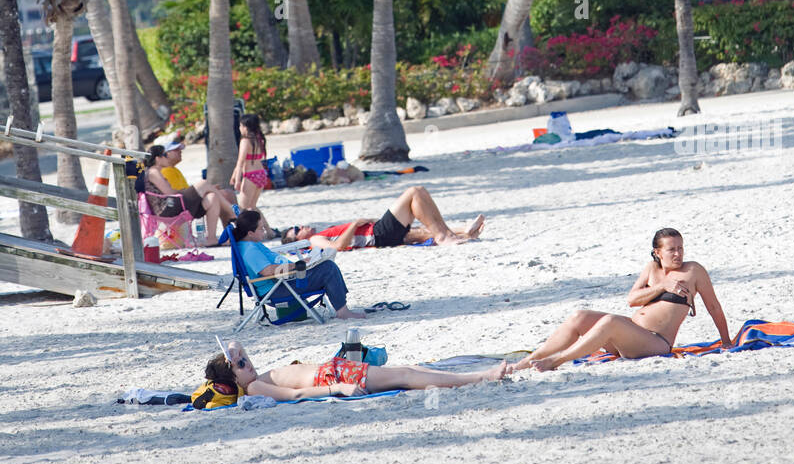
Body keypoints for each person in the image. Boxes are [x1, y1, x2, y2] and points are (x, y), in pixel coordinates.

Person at [507, 227, 732, 371]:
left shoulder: (693, 270)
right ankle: (525, 363)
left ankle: (556, 361)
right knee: (579, 316)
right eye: (671, 249)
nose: (678, 254)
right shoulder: (651, 269)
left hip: (655, 343)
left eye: (680, 248)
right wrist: (662, 285)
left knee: (610, 322)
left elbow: (713, 307)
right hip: (630, 334)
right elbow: (632, 299)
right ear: (657, 252)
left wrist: (727, 341)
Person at [194, 339, 508, 405]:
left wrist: (233, 350)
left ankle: (479, 374)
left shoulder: (253, 377)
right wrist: (338, 389)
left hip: (333, 370)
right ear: (234, 379)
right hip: (331, 379)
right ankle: (480, 377)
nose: (248, 362)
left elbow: (236, 343)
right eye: (241, 365)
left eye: (245, 358)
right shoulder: (254, 389)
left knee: (407, 370)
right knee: (406, 376)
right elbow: (296, 393)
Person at [231, 208, 366, 320]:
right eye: (261, 229)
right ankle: (343, 311)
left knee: (326, 263)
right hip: (277, 289)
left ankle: (341, 306)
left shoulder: (250, 244)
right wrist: (298, 265)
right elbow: (267, 271)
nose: (264, 231)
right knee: (328, 268)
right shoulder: (250, 250)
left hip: (284, 280)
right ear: (250, 233)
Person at [280, 185, 485, 250]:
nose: (301, 227)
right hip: (378, 235)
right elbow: (339, 247)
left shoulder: (319, 235)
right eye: (296, 230)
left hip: (379, 235)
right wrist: (354, 224)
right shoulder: (313, 241)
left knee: (420, 230)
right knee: (415, 192)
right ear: (298, 240)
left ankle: (462, 232)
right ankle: (444, 237)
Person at [141, 146, 236, 247]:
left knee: (212, 197)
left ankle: (211, 239)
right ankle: (232, 212)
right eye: (165, 155)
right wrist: (192, 190)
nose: (167, 158)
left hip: (173, 206)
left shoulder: (155, 172)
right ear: (157, 158)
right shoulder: (153, 172)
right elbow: (169, 193)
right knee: (203, 183)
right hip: (168, 208)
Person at [230, 114, 271, 214]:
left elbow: (240, 162)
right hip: (261, 173)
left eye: (240, 126)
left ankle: (264, 229)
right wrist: (233, 176)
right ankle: (267, 229)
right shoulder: (259, 139)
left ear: (245, 127)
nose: (239, 128)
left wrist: (237, 180)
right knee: (252, 207)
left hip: (250, 176)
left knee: (242, 209)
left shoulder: (245, 141)